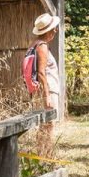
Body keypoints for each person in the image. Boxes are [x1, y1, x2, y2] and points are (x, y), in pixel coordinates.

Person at [31, 13, 61, 149]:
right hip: (47, 90)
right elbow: (41, 72)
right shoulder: (42, 46)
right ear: (47, 31)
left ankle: (41, 154)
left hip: (44, 90)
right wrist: (47, 95)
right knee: (49, 123)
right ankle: (46, 154)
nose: (55, 30)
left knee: (45, 123)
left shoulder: (36, 44)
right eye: (54, 28)